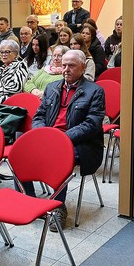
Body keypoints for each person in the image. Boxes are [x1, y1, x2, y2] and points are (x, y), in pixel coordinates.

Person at [31, 50, 105, 231]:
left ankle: (57, 206)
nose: (66, 69)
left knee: (60, 156)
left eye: (71, 65)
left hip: (82, 143)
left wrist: (61, 138)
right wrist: (44, 135)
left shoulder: (95, 91)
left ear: (83, 66)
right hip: (51, 139)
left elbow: (91, 124)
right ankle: (31, 201)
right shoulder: (52, 87)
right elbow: (39, 115)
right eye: (63, 65)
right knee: (20, 153)